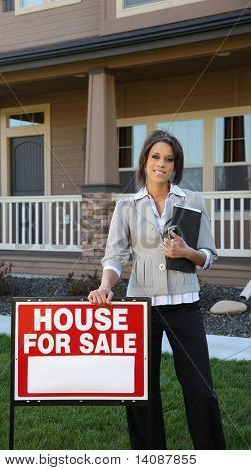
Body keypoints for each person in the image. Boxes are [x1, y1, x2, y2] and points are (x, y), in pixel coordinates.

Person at [87, 129, 226, 450]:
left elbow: (209, 254)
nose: (161, 164)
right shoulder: (126, 206)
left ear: (176, 167)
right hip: (142, 309)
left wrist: (187, 253)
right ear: (145, 161)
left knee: (201, 389)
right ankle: (149, 457)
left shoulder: (191, 201)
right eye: (155, 157)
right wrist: (105, 285)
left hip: (184, 306)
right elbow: (115, 256)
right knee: (141, 391)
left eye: (169, 159)